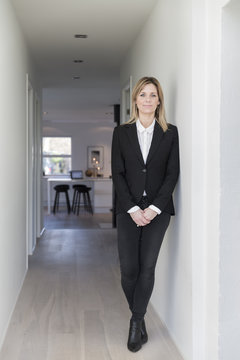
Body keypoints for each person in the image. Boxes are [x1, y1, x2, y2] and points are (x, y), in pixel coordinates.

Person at [111, 76, 180, 352]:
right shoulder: (121, 132)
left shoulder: (170, 132)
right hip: (128, 211)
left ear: (159, 100)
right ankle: (140, 319)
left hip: (158, 212)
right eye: (143, 95)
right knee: (129, 271)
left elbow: (172, 174)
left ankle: (135, 323)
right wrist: (131, 208)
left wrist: (153, 208)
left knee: (147, 267)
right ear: (135, 100)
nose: (148, 100)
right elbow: (118, 173)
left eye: (153, 95)